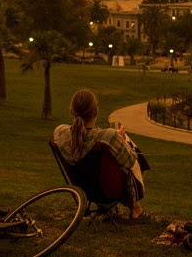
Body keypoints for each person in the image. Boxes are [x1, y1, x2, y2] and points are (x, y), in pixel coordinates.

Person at [53, 89, 150, 221]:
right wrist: (122, 140)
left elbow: (75, 133)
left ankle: (128, 208)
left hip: (82, 188)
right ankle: (135, 208)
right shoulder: (108, 136)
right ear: (96, 111)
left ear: (72, 110)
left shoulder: (60, 133)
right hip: (109, 190)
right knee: (131, 149)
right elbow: (131, 161)